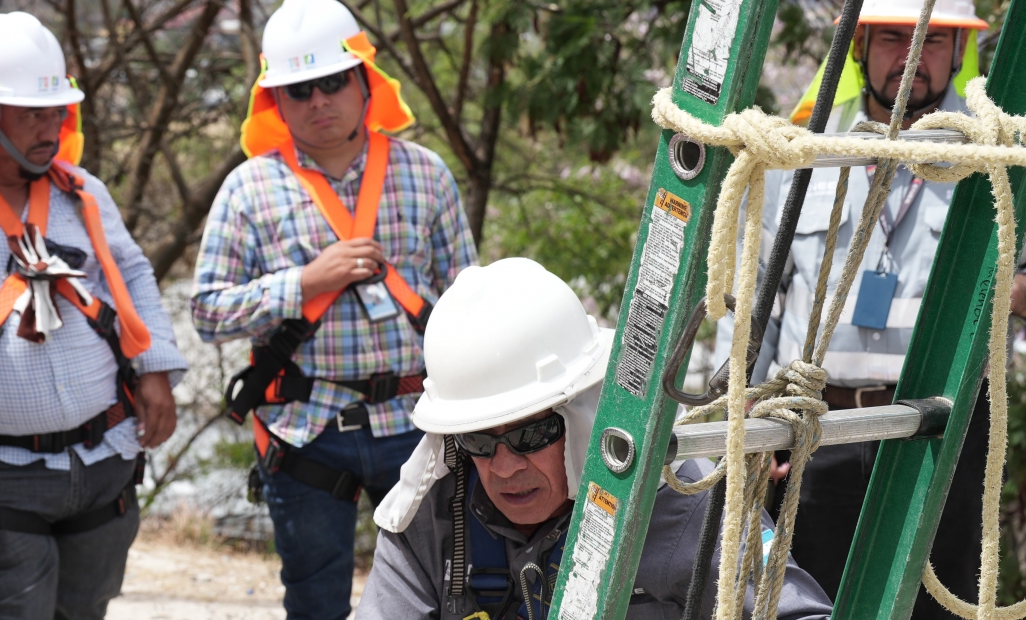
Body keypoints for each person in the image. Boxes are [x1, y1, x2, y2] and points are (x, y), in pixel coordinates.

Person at [715, 0, 1008, 615]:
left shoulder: (997, 162)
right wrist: (748, 413)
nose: (911, 55)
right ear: (858, 47)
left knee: (936, 605)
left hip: (942, 428)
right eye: (894, 37)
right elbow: (757, 300)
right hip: (816, 431)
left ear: (958, 55)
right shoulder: (805, 149)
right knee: (806, 601)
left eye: (933, 41)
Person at [190, 0, 477, 617]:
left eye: (332, 82)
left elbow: (466, 303)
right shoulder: (249, 188)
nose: (319, 101)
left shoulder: (425, 175)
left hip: (418, 420)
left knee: (450, 591)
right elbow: (207, 312)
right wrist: (303, 283)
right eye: (298, 90)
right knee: (315, 600)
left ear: (363, 81)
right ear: (275, 102)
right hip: (307, 432)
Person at [358, 258, 832, 619]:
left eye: (531, 434)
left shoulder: (683, 502)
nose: (503, 467)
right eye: (478, 442)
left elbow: (798, 611)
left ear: (583, 415)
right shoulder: (431, 520)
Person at [0, 11, 187, 619]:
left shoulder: (82, 191)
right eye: (33, 113)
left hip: (105, 457)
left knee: (84, 612)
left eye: (56, 112)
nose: (51, 127)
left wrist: (155, 368)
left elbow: (132, 274)